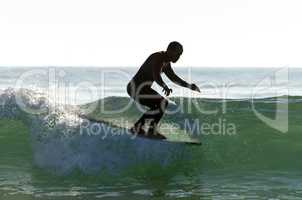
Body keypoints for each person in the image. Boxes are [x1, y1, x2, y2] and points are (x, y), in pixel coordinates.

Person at [127, 41, 200, 139]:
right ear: (170, 51)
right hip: (135, 88)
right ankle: (148, 129)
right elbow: (156, 75)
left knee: (158, 104)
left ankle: (139, 127)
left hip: (142, 89)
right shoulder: (158, 58)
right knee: (162, 102)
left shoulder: (166, 63)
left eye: (180, 54)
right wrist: (164, 86)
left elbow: (173, 78)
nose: (178, 57)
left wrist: (189, 86)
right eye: (177, 53)